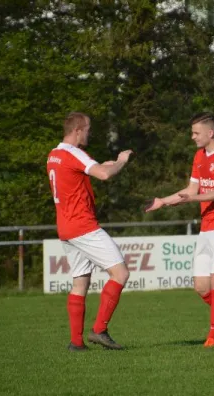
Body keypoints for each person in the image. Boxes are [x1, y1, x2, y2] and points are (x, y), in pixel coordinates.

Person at [145, 112, 214, 347]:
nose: (192, 137)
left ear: (210, 132)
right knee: (201, 287)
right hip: (207, 226)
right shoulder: (199, 156)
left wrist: (189, 200)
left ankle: (212, 337)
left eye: (195, 133)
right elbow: (191, 190)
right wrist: (163, 201)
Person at [47, 112, 134, 352]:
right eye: (88, 129)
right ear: (78, 130)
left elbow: (91, 169)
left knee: (80, 283)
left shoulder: (54, 155)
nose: (89, 133)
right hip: (83, 225)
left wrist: (111, 162)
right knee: (121, 274)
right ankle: (99, 329)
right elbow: (104, 174)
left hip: (65, 228)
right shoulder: (74, 153)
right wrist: (122, 161)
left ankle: (76, 343)